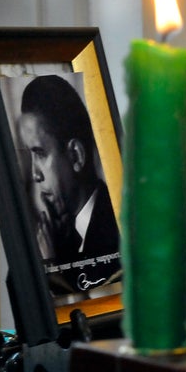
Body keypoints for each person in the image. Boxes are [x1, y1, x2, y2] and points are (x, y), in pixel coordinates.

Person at [17, 74, 120, 294]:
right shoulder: (64, 234)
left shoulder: (115, 226)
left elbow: (96, 308)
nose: (35, 174)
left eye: (41, 153)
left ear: (75, 156)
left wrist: (49, 268)